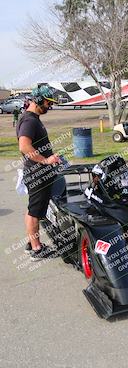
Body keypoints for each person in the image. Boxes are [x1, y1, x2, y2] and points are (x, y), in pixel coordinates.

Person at [16, 86, 60, 260]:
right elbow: (24, 146)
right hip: (38, 173)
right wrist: (45, 160)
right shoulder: (29, 121)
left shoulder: (32, 118)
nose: (50, 106)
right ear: (39, 100)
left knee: (33, 210)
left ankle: (31, 243)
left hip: (38, 172)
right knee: (35, 212)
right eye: (48, 103)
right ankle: (37, 250)